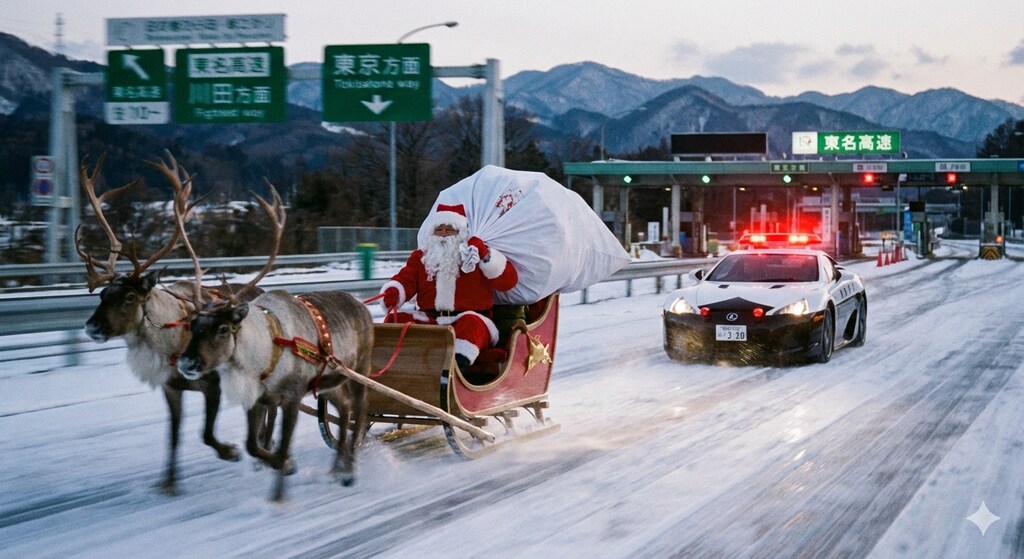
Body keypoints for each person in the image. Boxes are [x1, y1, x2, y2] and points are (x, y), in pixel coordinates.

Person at [379, 203, 519, 370]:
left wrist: (484, 255)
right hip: (431, 322)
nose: (444, 234)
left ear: (461, 233)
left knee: (471, 325)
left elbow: (509, 282)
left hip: (470, 320)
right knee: (395, 321)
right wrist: (394, 292)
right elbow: (405, 279)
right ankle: (393, 369)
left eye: (450, 229)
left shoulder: (476, 256)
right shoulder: (421, 258)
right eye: (439, 229)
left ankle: (455, 370)